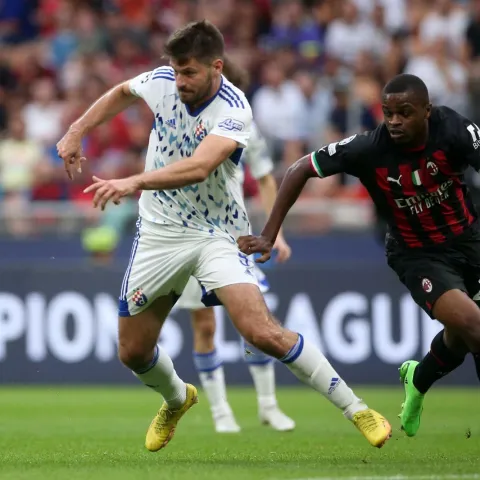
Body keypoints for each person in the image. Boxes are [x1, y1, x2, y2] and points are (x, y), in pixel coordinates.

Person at [57, 20, 391, 452]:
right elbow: (123, 91)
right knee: (133, 352)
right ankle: (177, 398)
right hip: (159, 233)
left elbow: (199, 166)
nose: (179, 82)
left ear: (216, 67)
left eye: (189, 73)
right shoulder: (161, 82)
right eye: (175, 71)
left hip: (218, 234)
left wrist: (133, 181)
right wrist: (76, 129)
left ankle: (357, 408)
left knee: (260, 331)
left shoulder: (235, 110)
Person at [238, 73, 480, 439]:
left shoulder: (454, 130)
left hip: (469, 242)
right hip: (418, 256)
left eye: (405, 112)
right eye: (388, 113)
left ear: (427, 111)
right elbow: (299, 168)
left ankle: (419, 377)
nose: (394, 121)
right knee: (474, 325)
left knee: (460, 339)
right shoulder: (369, 148)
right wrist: (270, 235)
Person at [175, 59, 295, 434]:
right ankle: (221, 410)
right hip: (190, 237)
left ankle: (267, 405)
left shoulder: (245, 127)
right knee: (205, 326)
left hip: (233, 239)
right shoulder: (181, 121)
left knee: (256, 322)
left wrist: (279, 233)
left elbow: (265, 178)